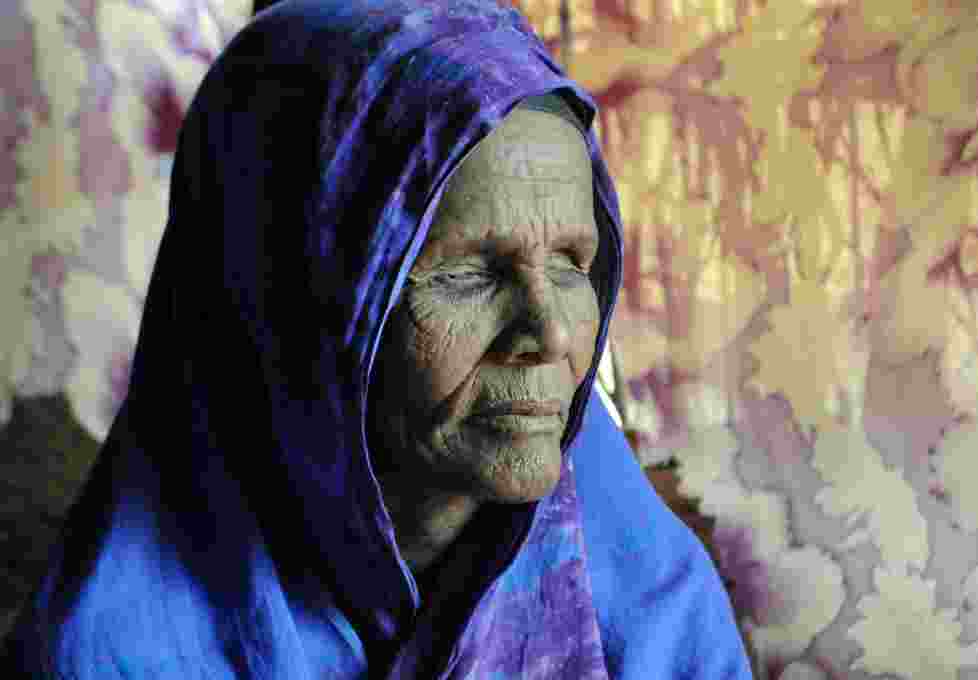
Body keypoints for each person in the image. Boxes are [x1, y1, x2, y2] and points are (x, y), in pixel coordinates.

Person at [0, 0, 755, 677]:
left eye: (571, 262)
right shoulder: (116, 655)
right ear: (294, 310)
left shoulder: (642, 584)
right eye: (466, 275)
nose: (553, 334)